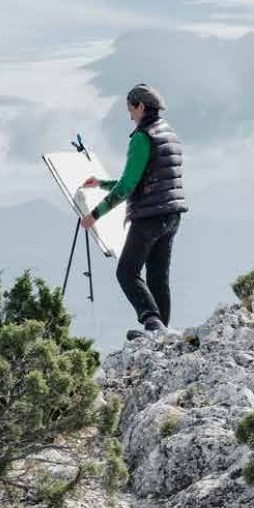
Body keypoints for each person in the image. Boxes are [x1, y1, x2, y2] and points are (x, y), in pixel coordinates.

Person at [79, 83, 186, 338]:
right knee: (158, 276)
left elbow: (128, 186)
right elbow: (143, 177)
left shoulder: (143, 136)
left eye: (131, 110)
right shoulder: (168, 133)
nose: (130, 116)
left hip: (149, 217)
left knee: (126, 272)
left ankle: (151, 323)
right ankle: (163, 333)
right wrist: (102, 183)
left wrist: (93, 215)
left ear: (140, 106)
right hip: (172, 215)